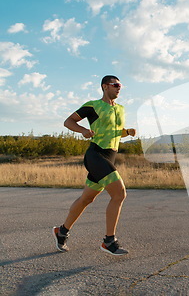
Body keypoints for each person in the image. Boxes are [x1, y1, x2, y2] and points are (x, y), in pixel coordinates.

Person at [53, 75, 136, 256]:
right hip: (96, 155)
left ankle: (62, 231)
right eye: (116, 85)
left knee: (86, 199)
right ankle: (109, 241)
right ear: (105, 86)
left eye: (120, 85)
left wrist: (126, 132)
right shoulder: (93, 105)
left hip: (109, 156)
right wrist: (83, 130)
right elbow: (68, 121)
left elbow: (112, 131)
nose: (119, 88)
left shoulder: (121, 109)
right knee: (119, 194)